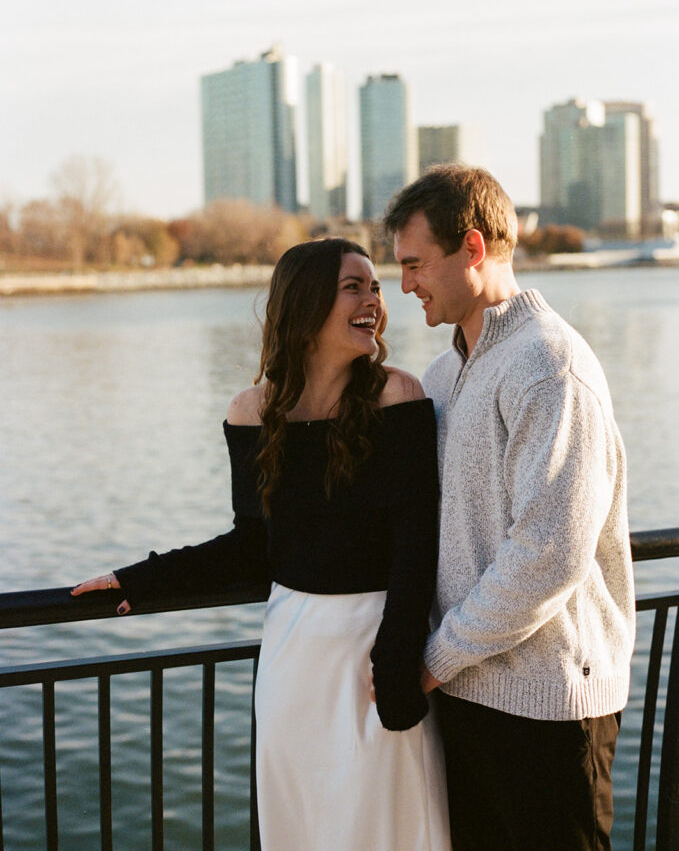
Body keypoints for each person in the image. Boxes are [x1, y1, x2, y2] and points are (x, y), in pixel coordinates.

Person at [72, 237, 451, 851]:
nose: (374, 300)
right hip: (293, 655)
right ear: (304, 306)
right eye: (352, 286)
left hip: (378, 652)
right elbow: (250, 547)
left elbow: (417, 549)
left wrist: (397, 658)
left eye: (375, 287)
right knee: (300, 823)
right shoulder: (252, 412)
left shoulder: (398, 398)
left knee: (389, 823)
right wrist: (140, 580)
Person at [384, 165, 636, 851]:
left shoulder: (547, 365)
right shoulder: (443, 375)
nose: (403, 284)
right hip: (468, 698)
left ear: (471, 248)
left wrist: (434, 658)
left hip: (547, 708)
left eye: (414, 264)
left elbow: (548, 551)